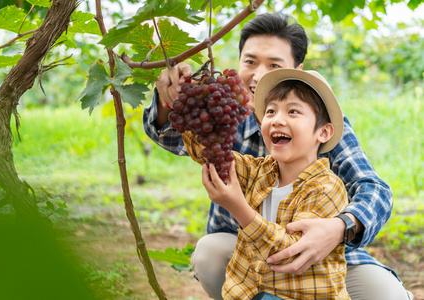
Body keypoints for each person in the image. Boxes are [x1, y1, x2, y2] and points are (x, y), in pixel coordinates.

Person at [143, 12, 413, 300]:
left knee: (387, 295)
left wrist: (339, 227)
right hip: (244, 253)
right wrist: (172, 100)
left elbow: (374, 189)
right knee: (209, 254)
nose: (259, 75)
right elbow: (176, 137)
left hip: (320, 262)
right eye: (250, 61)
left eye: (274, 65)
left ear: (297, 70)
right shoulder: (226, 116)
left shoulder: (322, 126)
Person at [183, 68, 349, 299]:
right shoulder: (258, 171)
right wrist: (189, 98)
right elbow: (210, 151)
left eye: (293, 111)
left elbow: (292, 255)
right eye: (270, 111)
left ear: (323, 132)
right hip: (253, 291)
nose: (277, 120)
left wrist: (239, 208)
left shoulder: (326, 188)